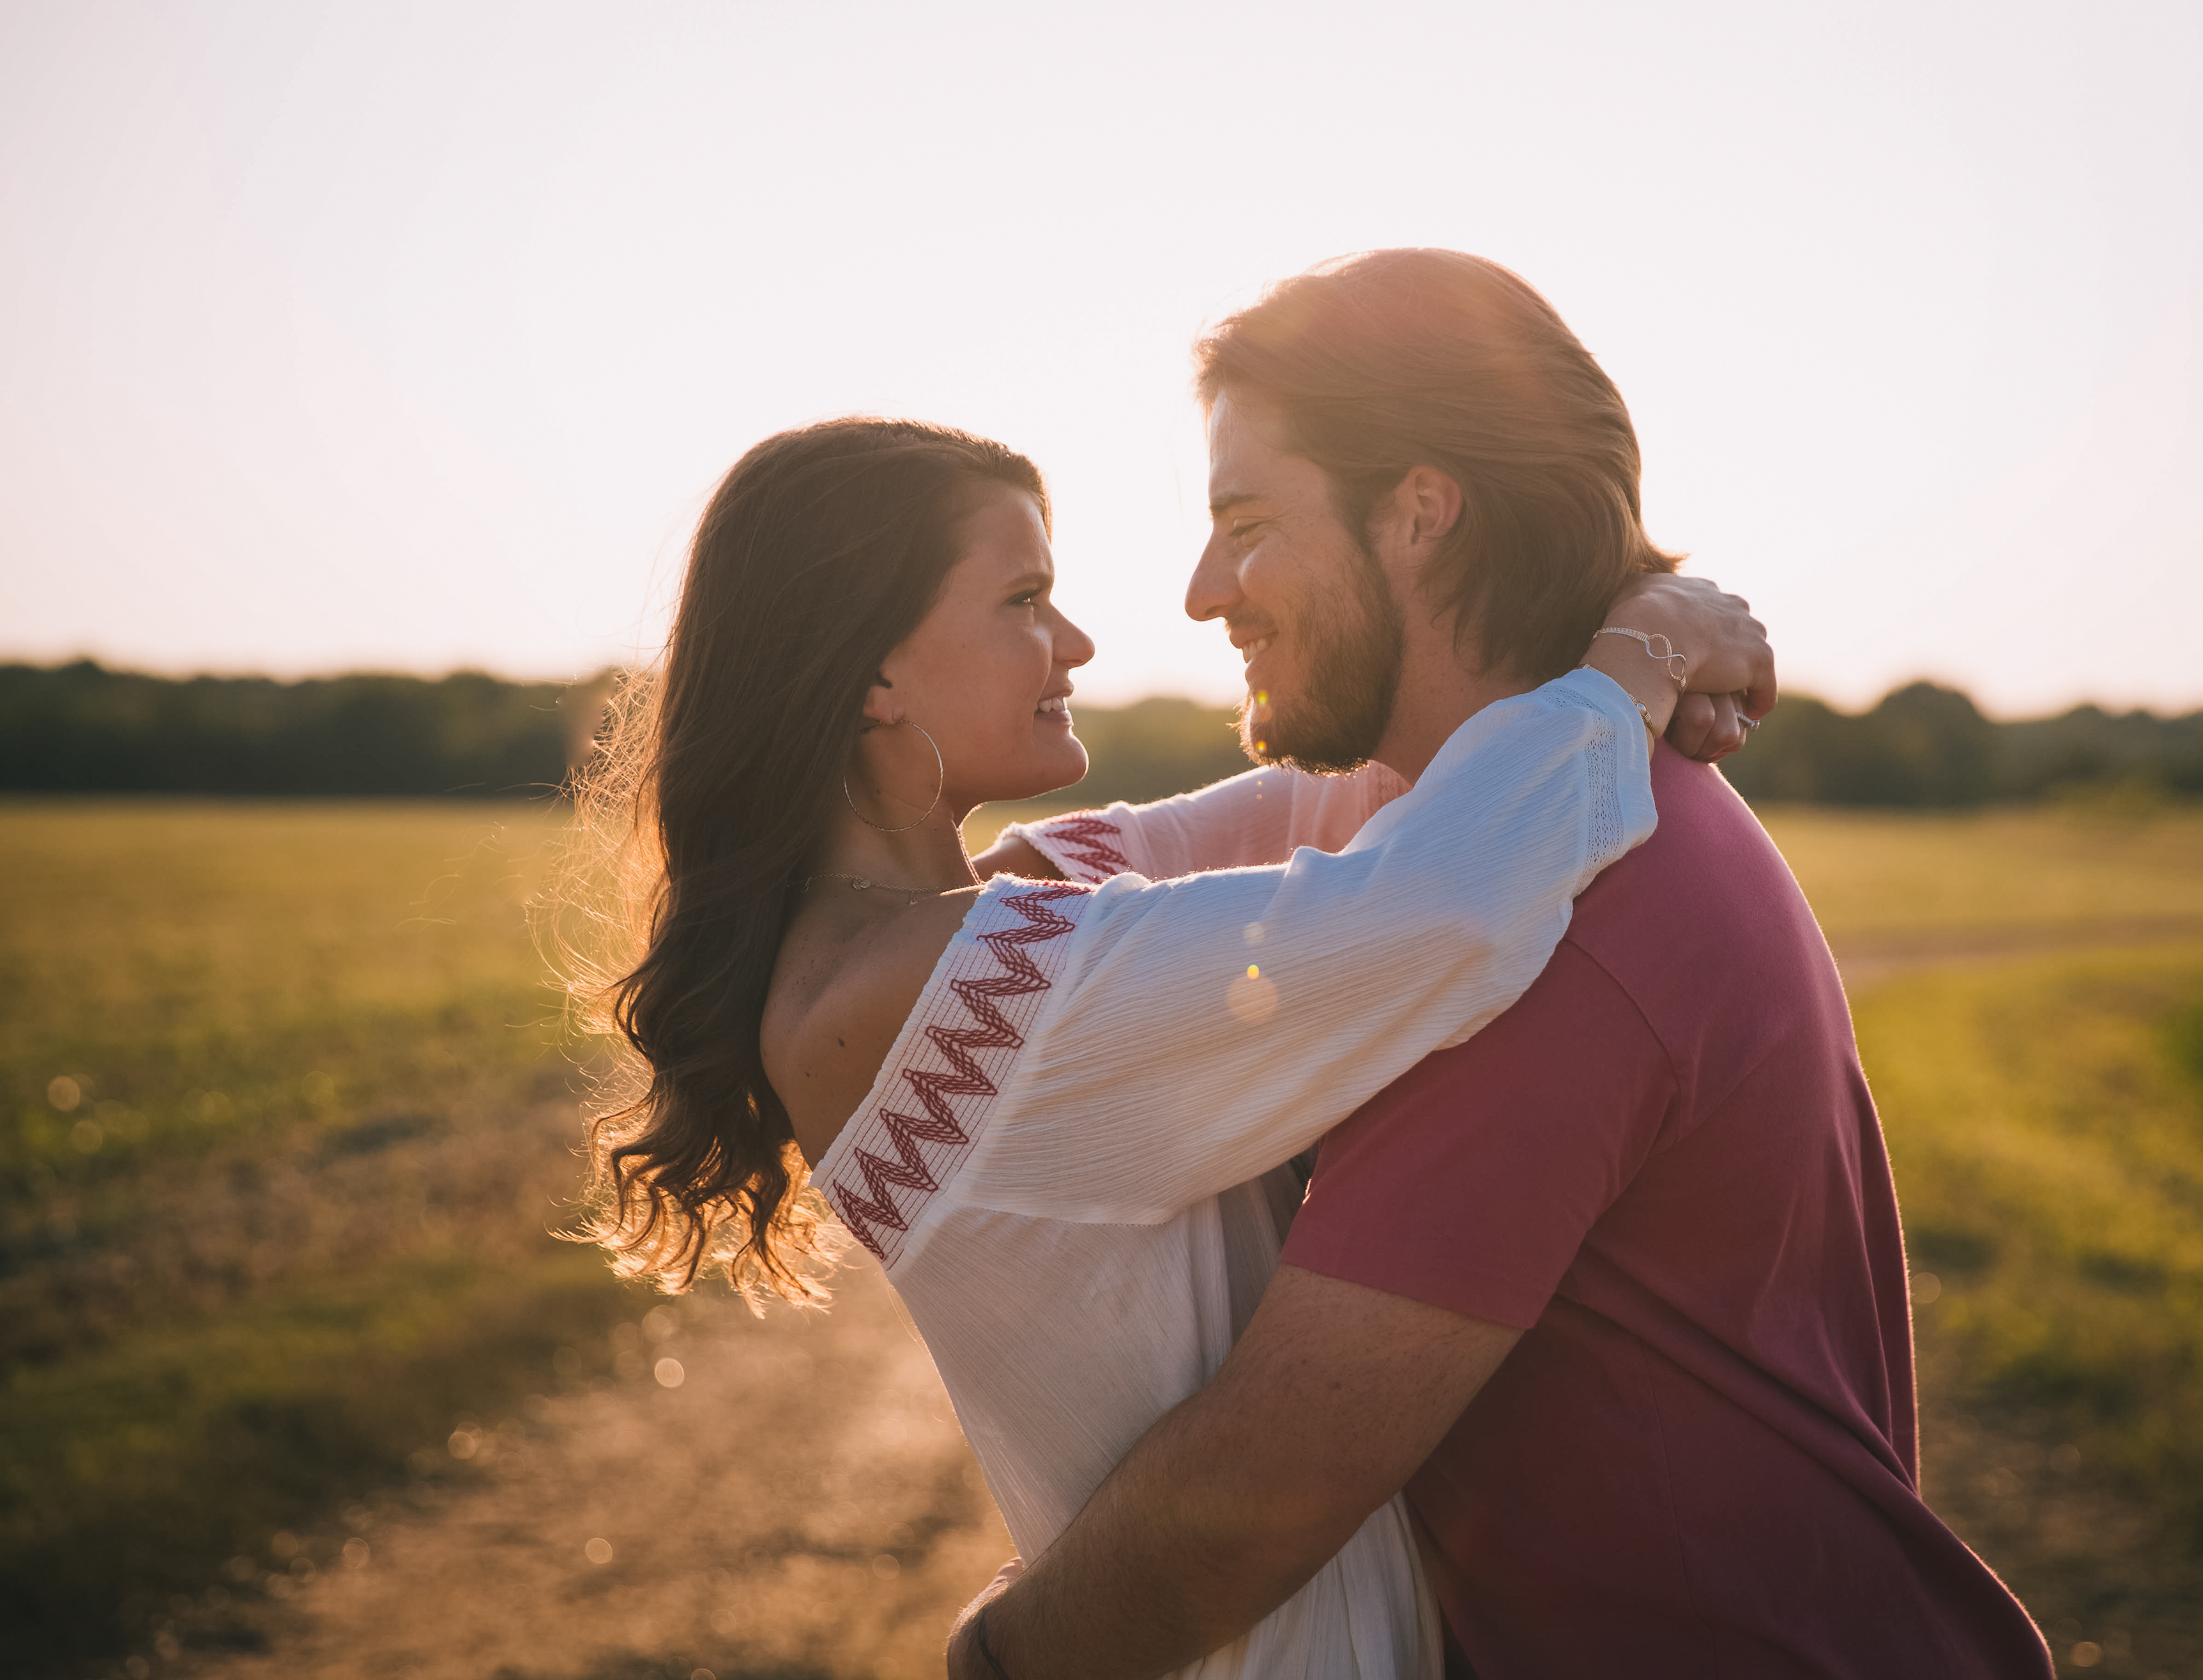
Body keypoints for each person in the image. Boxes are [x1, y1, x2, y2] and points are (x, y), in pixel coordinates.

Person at [949, 251, 2054, 1678]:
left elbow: (1255, 1498)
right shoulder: (1458, 810)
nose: (1202, 590)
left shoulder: (1550, 909)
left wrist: (996, 1657)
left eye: (1247, 522)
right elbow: (1122, 860)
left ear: (1419, 512)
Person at [567, 411, 1772, 1679]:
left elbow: (1340, 798)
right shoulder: (941, 987)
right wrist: (1636, 658)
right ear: (871, 674)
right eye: (1025, 600)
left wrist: (1610, 613)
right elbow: (1434, 909)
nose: (1076, 643)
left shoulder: (926, 947)